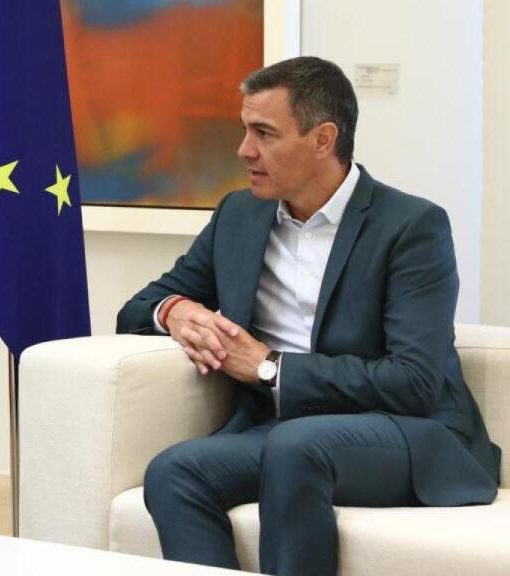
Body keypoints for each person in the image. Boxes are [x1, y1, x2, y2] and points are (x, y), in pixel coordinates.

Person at [117, 57, 500, 576]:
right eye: (244, 130)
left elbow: (413, 382)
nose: (244, 150)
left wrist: (270, 368)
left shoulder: (411, 226)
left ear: (323, 139)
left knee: (297, 446)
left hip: (409, 433)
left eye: (264, 133)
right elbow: (139, 306)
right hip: (287, 433)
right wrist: (178, 310)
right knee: (174, 471)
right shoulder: (239, 214)